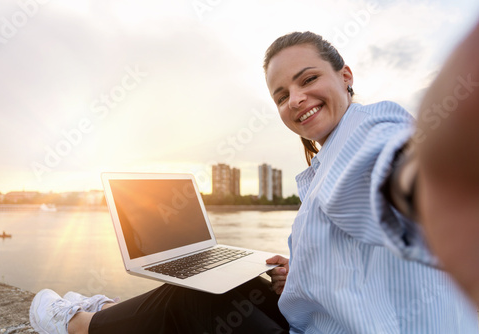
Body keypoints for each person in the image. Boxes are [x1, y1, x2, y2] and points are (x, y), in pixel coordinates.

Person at [29, 21, 479, 334]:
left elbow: (386, 178)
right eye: (282, 95)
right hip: (348, 320)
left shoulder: (368, 132)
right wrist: (301, 276)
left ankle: (82, 323)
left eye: (308, 79)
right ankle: (106, 311)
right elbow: (361, 256)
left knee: (196, 296)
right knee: (235, 281)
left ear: (345, 77)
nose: (297, 100)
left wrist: (436, 189)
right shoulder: (331, 156)